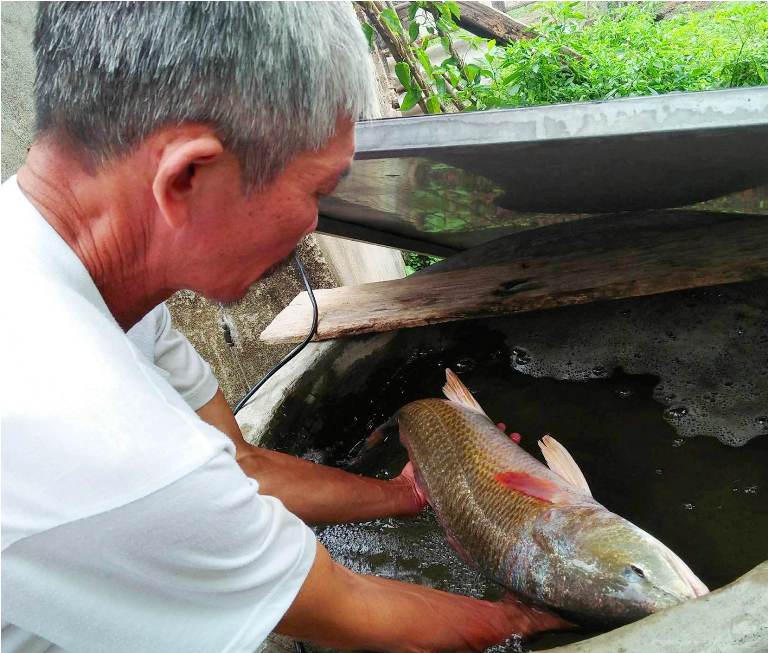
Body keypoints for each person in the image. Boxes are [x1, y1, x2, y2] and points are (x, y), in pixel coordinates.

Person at [1, 3, 567, 652]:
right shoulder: (98, 437)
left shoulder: (58, 267)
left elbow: (238, 466)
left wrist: (402, 494)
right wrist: (532, 617)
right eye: (318, 191)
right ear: (189, 175)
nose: (312, 224)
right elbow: (351, 606)